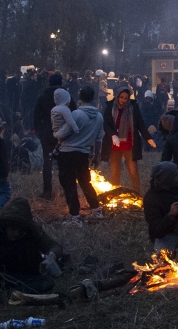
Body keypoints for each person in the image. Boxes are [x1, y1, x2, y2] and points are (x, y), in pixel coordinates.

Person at [0, 197, 63, 294]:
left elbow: (54, 246)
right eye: (13, 229)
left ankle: (7, 295)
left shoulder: (33, 231)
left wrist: (51, 255)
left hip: (16, 274)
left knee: (47, 282)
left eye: (21, 231)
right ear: (5, 225)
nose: (17, 234)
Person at [53, 85, 103, 221]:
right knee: (85, 182)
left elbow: (64, 133)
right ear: (93, 98)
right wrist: (96, 156)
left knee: (69, 184)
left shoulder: (75, 114)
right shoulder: (99, 117)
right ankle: (97, 210)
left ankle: (75, 216)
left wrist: (56, 134)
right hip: (83, 154)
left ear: (79, 98)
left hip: (67, 154)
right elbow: (99, 139)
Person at [102, 87, 156, 194]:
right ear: (117, 96)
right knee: (115, 171)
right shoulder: (110, 106)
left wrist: (148, 138)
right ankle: (115, 193)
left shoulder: (133, 107)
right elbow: (106, 124)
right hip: (115, 144)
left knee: (133, 171)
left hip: (129, 144)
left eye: (126, 98)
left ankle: (136, 193)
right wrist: (113, 135)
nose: (123, 100)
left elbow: (140, 123)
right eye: (121, 97)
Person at [32, 73, 67, 200]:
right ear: (61, 82)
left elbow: (36, 116)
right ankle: (67, 190)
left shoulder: (43, 97)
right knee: (64, 163)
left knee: (47, 162)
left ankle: (47, 191)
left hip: (47, 133)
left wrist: (39, 131)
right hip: (63, 134)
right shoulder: (66, 97)